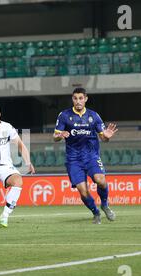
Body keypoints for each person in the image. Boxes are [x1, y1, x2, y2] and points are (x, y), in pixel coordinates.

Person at [53, 87, 118, 224]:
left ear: (86, 99)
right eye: (75, 98)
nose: (78, 101)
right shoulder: (64, 115)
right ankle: (96, 212)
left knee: (100, 180)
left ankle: (105, 205)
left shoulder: (94, 116)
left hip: (91, 156)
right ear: (72, 99)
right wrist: (60, 135)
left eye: (81, 98)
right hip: (73, 159)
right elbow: (55, 136)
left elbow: (103, 138)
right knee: (83, 191)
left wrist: (107, 136)